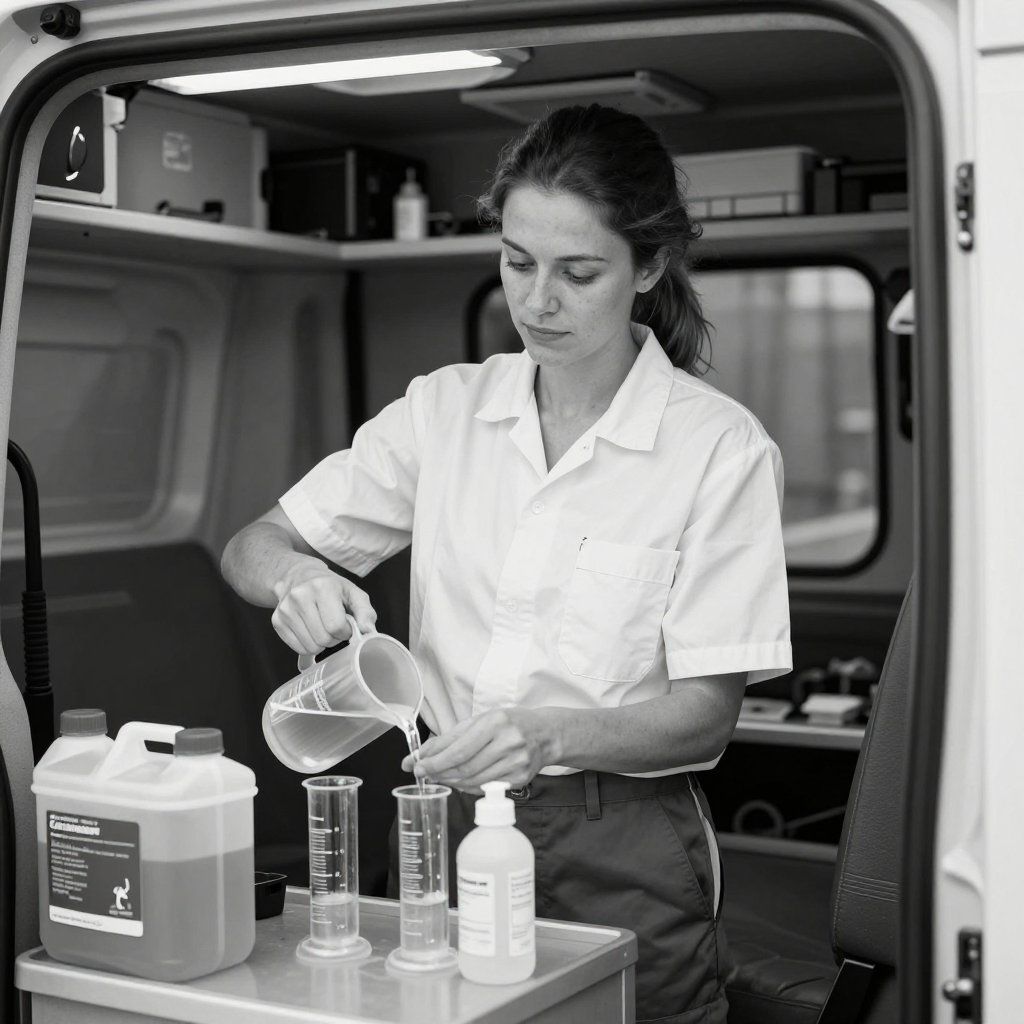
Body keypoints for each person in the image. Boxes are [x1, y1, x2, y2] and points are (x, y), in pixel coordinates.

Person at [221, 103, 791, 1023]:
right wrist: (299, 581)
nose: (537, 301)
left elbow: (705, 719)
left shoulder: (717, 450)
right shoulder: (445, 410)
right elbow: (254, 543)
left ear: (648, 269)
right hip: (440, 818)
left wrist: (547, 734)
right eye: (518, 263)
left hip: (623, 845)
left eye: (578, 273)